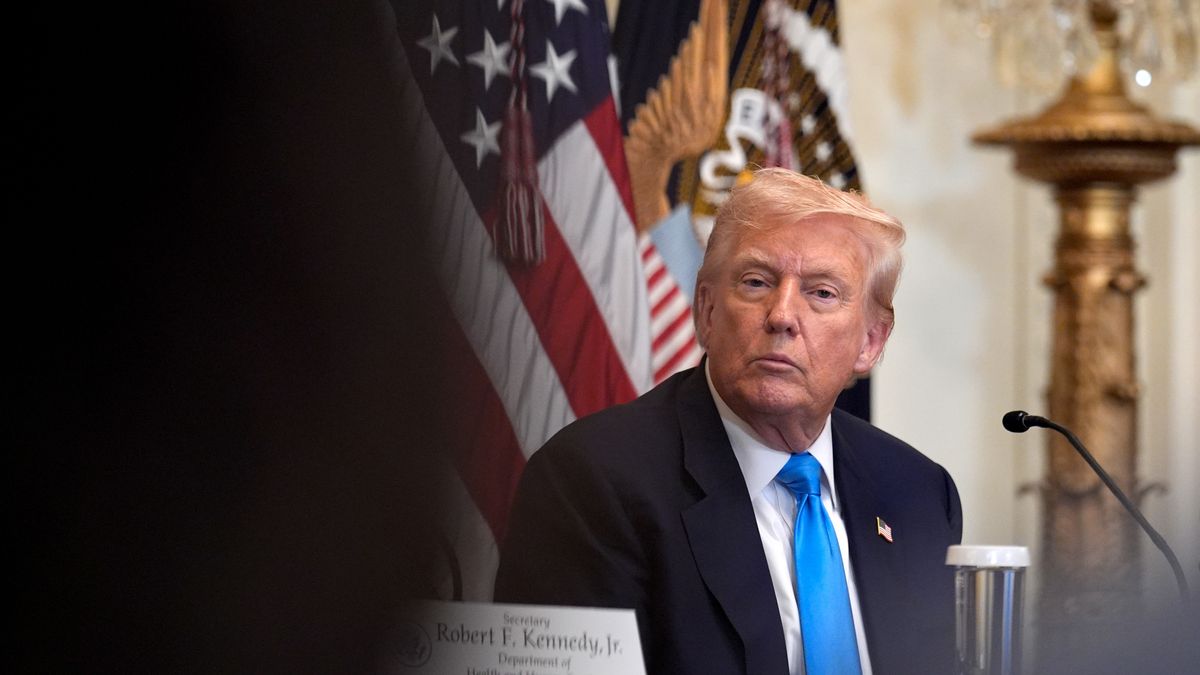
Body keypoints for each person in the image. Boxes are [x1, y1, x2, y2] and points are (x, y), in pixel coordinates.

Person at [494, 169, 962, 675]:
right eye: (756, 282)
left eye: (821, 293)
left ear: (871, 341)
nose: (782, 314)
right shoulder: (594, 482)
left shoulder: (918, 493)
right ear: (707, 311)